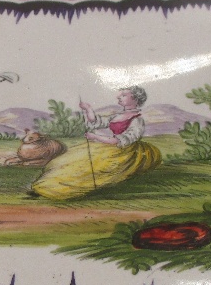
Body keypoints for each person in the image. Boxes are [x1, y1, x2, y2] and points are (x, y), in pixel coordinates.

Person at [30, 86, 161, 200]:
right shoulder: (117, 115)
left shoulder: (137, 120)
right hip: (107, 146)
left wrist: (96, 137)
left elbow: (120, 140)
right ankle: (44, 185)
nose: (119, 97)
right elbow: (98, 122)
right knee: (69, 160)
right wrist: (88, 109)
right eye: (120, 95)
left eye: (124, 95)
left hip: (124, 151)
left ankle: (53, 190)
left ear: (135, 98)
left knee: (89, 168)